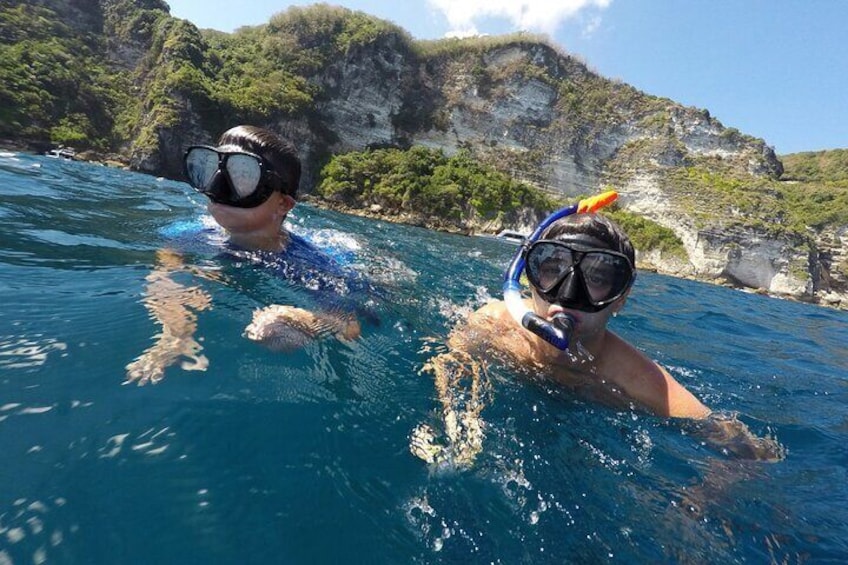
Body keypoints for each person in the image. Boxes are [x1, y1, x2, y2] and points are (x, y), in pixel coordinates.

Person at [410, 193, 785, 467]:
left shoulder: (638, 381)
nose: (568, 296)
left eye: (599, 277)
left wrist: (702, 499)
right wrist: (455, 416)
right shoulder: (492, 323)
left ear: (621, 298)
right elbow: (451, 361)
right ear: (528, 276)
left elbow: (747, 448)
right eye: (552, 268)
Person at [126, 126, 366, 385]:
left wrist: (300, 320)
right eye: (210, 171)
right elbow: (167, 271)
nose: (219, 186)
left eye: (243, 178)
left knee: (274, 327)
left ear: (283, 204)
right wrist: (174, 333)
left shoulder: (312, 264)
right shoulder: (186, 234)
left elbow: (349, 323)